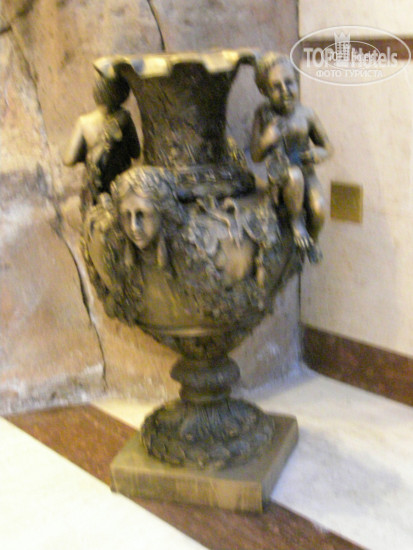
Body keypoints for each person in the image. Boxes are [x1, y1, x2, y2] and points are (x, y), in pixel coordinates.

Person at [251, 52, 332, 262]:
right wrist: (266, 139)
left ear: (297, 81)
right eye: (276, 87)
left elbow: (328, 147)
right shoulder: (263, 114)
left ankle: (312, 241)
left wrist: (318, 154)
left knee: (319, 208)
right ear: (264, 91)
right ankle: (296, 223)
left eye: (289, 83)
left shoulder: (307, 114)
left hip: (307, 172)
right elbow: (256, 155)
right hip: (281, 177)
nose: (285, 91)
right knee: (294, 176)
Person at [64, 72, 140, 213]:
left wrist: (90, 154)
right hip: (121, 189)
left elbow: (68, 159)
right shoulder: (124, 119)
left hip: (95, 190)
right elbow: (136, 152)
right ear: (123, 94)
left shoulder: (83, 122)